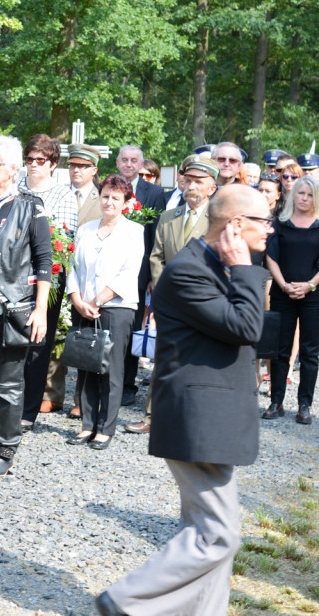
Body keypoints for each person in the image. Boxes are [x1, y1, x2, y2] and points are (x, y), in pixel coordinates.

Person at [97, 185, 271, 616]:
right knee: (219, 535)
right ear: (235, 225)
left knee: (204, 530)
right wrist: (244, 269)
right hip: (199, 418)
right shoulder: (189, 270)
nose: (271, 229)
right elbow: (247, 327)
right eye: (264, 221)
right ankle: (124, 600)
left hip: (215, 415)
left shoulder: (215, 263)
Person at [0, 135, 51, 478]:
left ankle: (4, 447)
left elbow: (45, 259)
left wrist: (41, 308)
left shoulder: (31, 205)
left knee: (10, 383)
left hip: (12, 306)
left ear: (14, 169)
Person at [125, 155, 219, 436]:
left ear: (212, 187)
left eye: (199, 182)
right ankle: (153, 416)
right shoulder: (169, 217)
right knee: (164, 360)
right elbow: (157, 257)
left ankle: (195, 419)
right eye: (188, 180)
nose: (192, 186)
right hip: (171, 303)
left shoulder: (220, 220)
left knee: (200, 362)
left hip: (205, 304)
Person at [65, 174, 144, 449]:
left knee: (111, 369)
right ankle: (87, 425)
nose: (109, 202)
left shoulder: (134, 231)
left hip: (115, 308)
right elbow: (72, 267)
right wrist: (77, 299)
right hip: (83, 306)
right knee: (86, 366)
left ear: (126, 202)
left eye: (116, 198)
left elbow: (127, 273)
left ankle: (105, 428)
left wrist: (97, 301)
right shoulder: (85, 229)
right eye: (105, 196)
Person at [18, 134, 78, 429]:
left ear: (53, 164)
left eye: (40, 160)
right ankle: (8, 403)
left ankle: (28, 411)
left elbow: (64, 239)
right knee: (11, 343)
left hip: (48, 276)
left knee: (38, 344)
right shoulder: (16, 187)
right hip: (12, 274)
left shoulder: (64, 194)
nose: (33, 165)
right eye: (29, 159)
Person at [45, 143, 101, 418]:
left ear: (94, 170)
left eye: (82, 166)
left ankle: (82, 399)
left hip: (88, 277)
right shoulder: (59, 194)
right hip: (59, 272)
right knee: (55, 332)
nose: (76, 170)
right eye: (73, 165)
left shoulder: (103, 198)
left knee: (84, 338)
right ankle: (51, 394)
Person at [263, 175, 319, 425]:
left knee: (310, 352)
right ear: (293, 195)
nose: (304, 198)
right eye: (301, 193)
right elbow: (270, 256)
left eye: (309, 195)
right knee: (280, 350)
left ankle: (304, 404)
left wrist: (309, 285)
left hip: (313, 296)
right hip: (282, 293)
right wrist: (285, 285)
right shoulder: (280, 223)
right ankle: (276, 401)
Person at [115, 144, 166, 407]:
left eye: (134, 160)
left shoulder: (155, 193)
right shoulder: (108, 187)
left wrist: (151, 276)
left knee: (132, 329)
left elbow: (157, 236)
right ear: (117, 162)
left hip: (138, 273)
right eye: (124, 160)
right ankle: (103, 380)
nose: (129, 164)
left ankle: (126, 385)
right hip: (108, 269)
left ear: (141, 163)